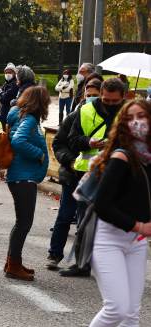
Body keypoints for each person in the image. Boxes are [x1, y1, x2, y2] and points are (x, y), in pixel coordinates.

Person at [75, 99, 151, 327]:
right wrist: (137, 225)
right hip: (109, 239)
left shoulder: (148, 159)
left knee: (132, 312)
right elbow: (103, 205)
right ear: (123, 124)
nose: (137, 123)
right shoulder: (121, 157)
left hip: (136, 244)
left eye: (142, 116)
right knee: (117, 306)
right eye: (131, 118)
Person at [55, 77, 127, 276]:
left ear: (123, 97)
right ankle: (82, 264)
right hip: (89, 173)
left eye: (115, 102)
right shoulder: (85, 111)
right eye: (106, 100)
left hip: (119, 174)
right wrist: (89, 142)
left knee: (115, 222)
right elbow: (71, 140)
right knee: (85, 220)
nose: (110, 105)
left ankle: (112, 265)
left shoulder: (129, 113)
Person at [48, 78, 102, 270]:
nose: (92, 99)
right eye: (89, 95)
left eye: (96, 96)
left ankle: (83, 261)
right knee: (65, 215)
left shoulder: (111, 120)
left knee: (86, 219)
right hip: (73, 175)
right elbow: (58, 144)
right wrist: (71, 161)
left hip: (96, 177)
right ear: (83, 95)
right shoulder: (73, 116)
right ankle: (54, 254)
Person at [3, 86, 50, 281]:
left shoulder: (19, 116)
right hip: (24, 176)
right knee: (24, 222)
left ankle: (12, 262)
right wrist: (39, 154)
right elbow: (18, 141)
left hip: (21, 175)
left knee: (21, 222)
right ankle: (13, 265)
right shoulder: (29, 119)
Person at [0, 64, 19, 128]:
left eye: (10, 72)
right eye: (6, 72)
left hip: (9, 112)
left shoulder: (15, 84)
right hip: (3, 112)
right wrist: (1, 94)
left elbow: (5, 98)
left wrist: (0, 94)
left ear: (14, 73)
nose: (7, 74)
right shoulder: (6, 83)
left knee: (8, 132)